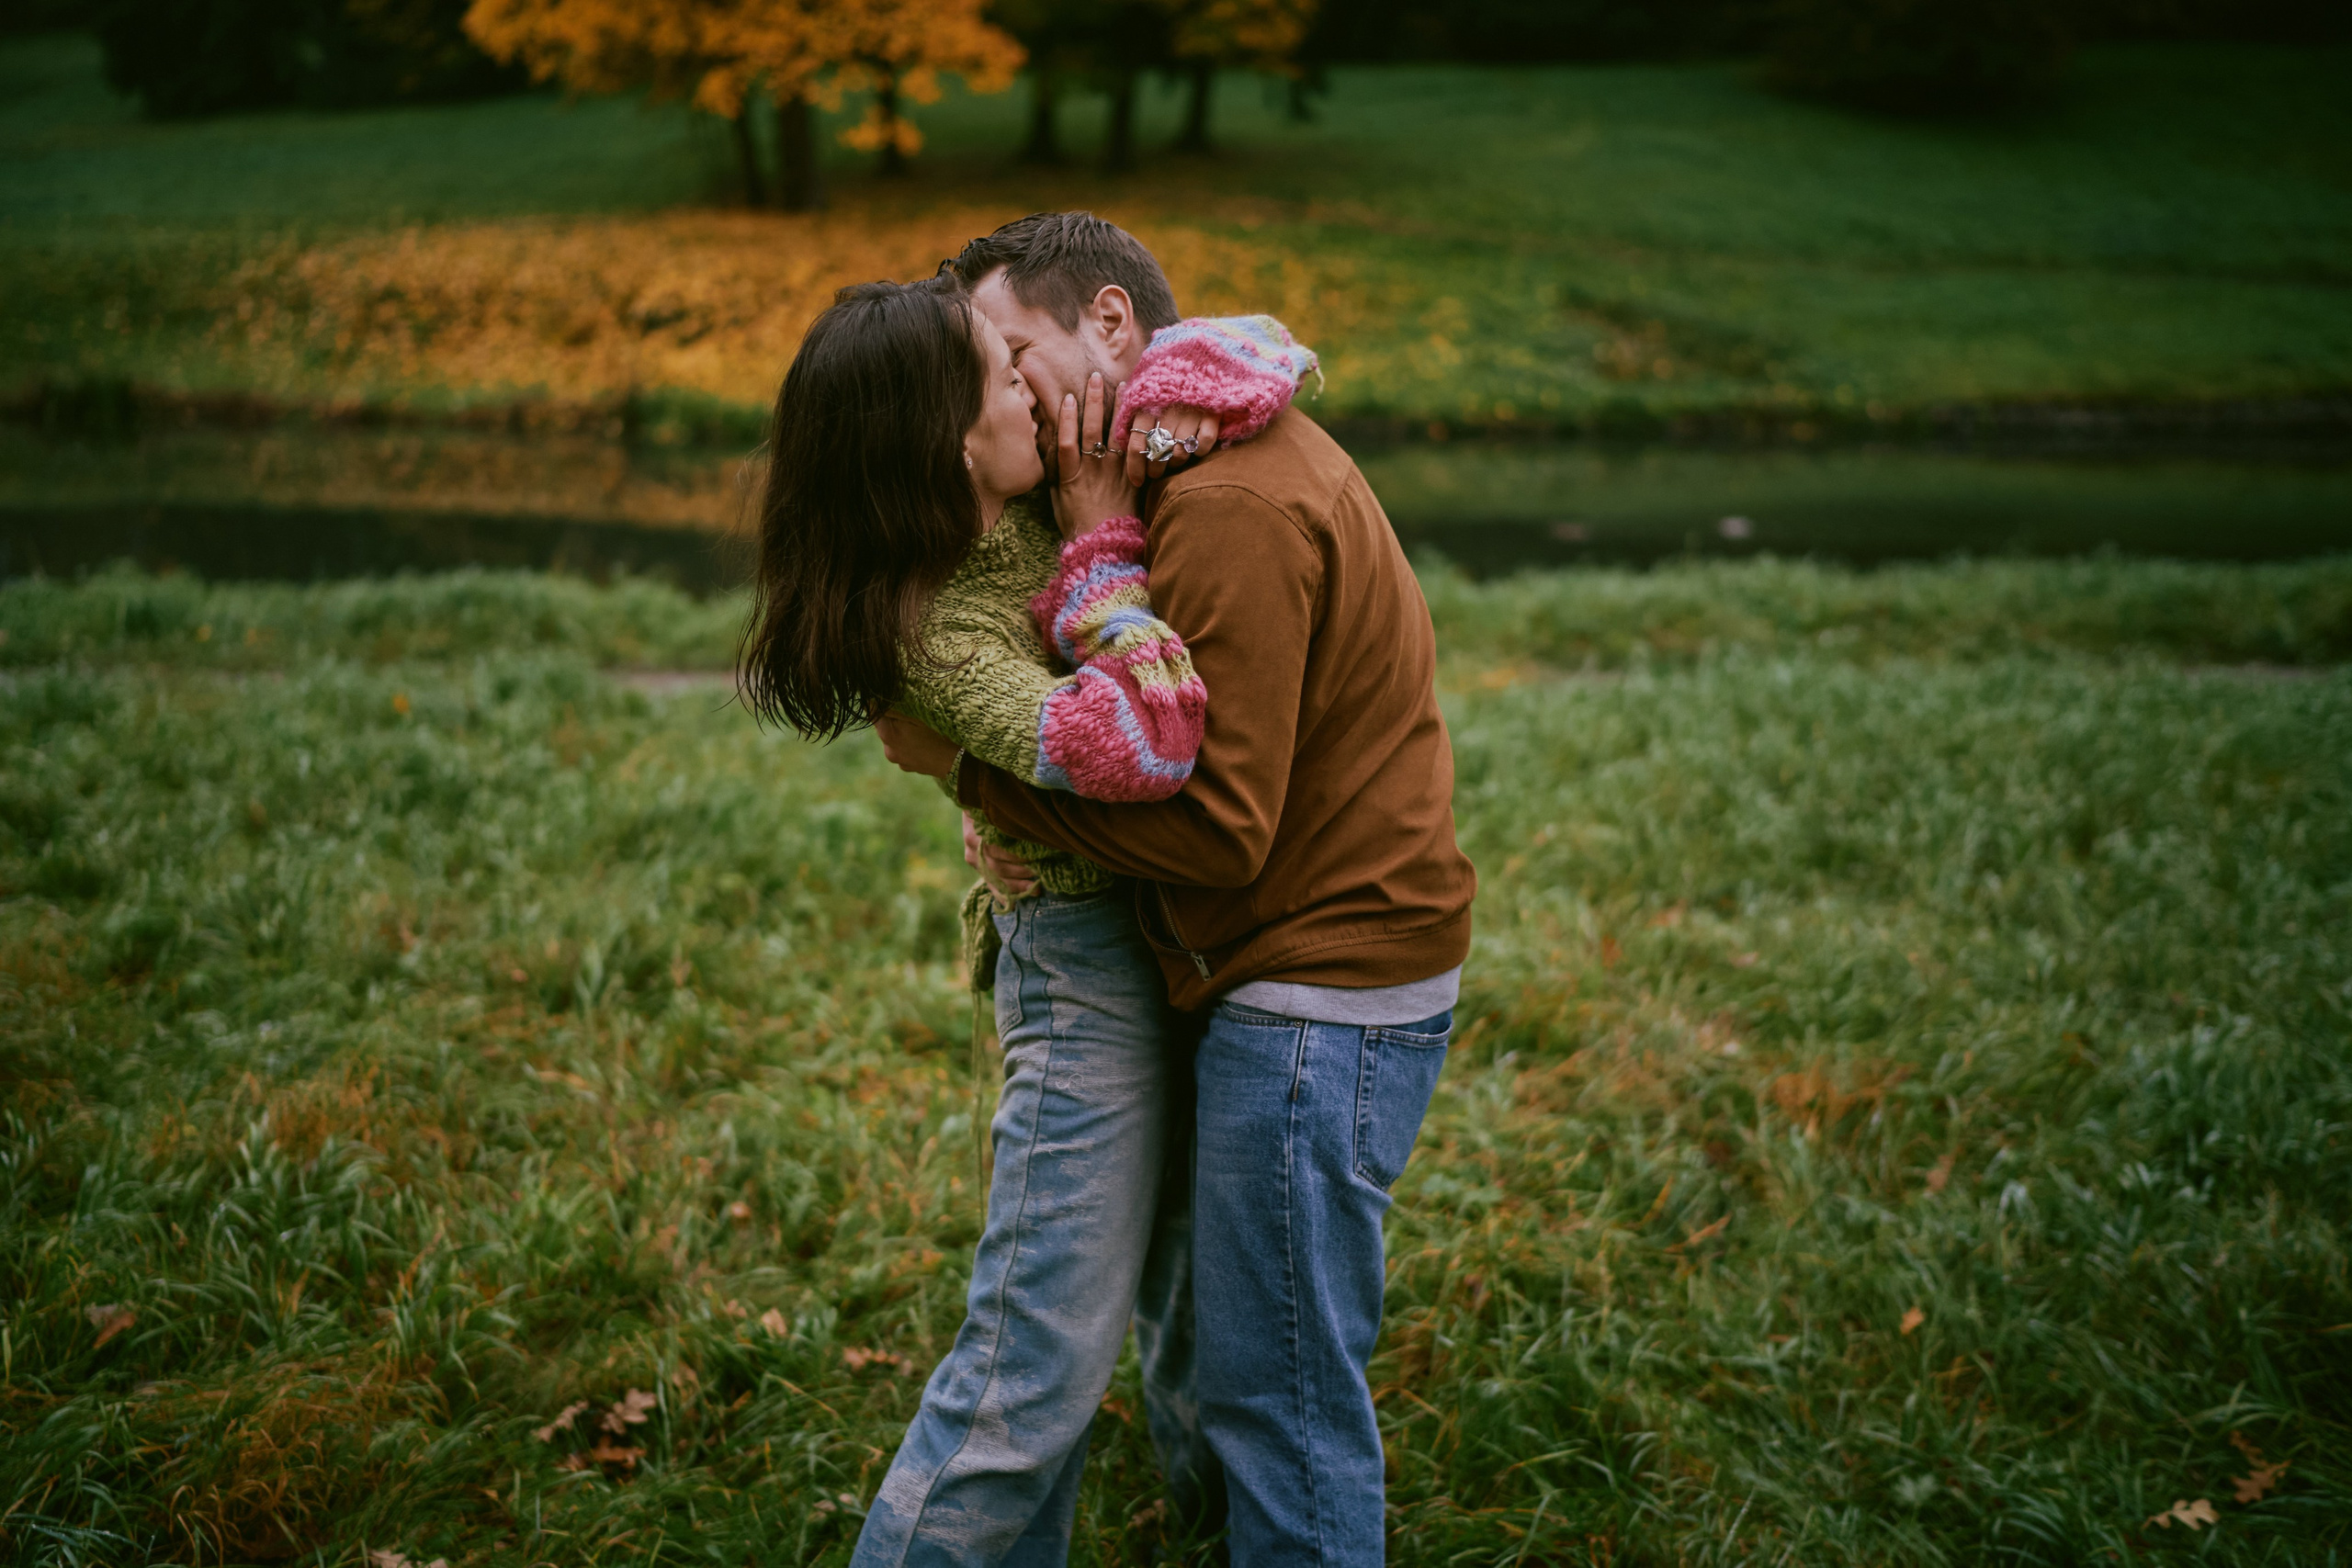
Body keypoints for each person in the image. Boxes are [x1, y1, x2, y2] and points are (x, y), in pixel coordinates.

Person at [876, 212, 1478, 1567]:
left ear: (1106, 324)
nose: (1016, 395)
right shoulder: (1183, 463)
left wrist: (972, 777)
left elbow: (1216, 833)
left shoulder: (1223, 504)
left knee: (1282, 1399)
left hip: (1322, 983)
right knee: (1218, 1341)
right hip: (1282, 961)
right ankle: (1208, 1528)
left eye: (1017, 354)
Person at [736, 270, 1322, 1565]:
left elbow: (1222, 364)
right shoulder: (937, 631)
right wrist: (1105, 539)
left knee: (1124, 1327)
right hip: (1081, 982)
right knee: (1031, 1373)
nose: (1034, 387)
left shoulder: (982, 524)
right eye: (1005, 372)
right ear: (940, 435)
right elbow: (1147, 740)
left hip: (1147, 946)